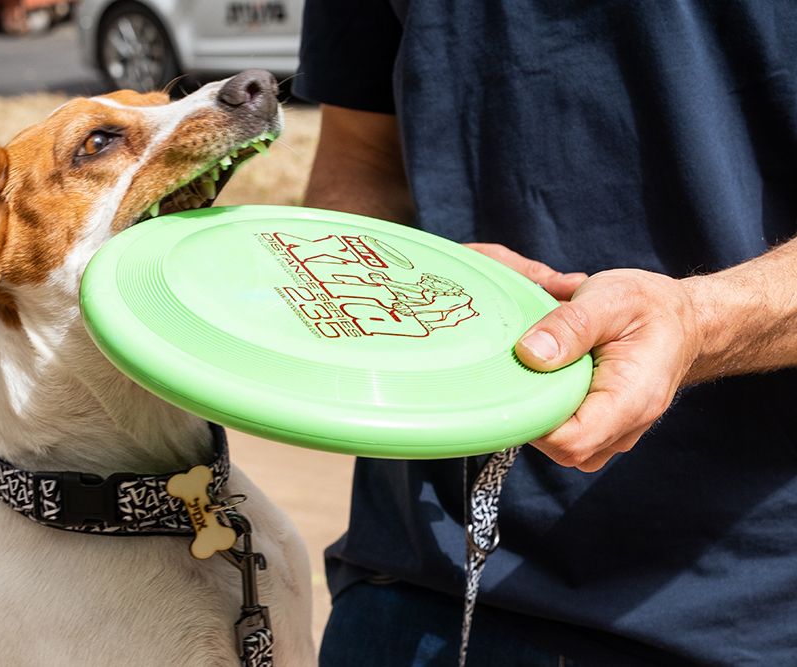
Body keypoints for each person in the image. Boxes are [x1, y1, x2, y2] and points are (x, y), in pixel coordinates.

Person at [294, 1, 797, 664]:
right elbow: (358, 163)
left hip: (735, 608)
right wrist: (402, 280)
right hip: (413, 585)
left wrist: (696, 321)